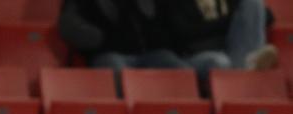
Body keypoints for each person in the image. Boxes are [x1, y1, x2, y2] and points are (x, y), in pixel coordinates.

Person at [59, 0, 187, 92]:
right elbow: (68, 25)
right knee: (118, 73)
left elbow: (158, 20)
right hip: (107, 53)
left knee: (181, 72)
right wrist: (101, 40)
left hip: (149, 53)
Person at [165, 0, 278, 91]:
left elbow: (268, 16)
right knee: (221, 62)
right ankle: (247, 71)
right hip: (194, 55)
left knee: (253, 3)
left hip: (231, 49)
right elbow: (184, 33)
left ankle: (249, 64)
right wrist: (226, 21)